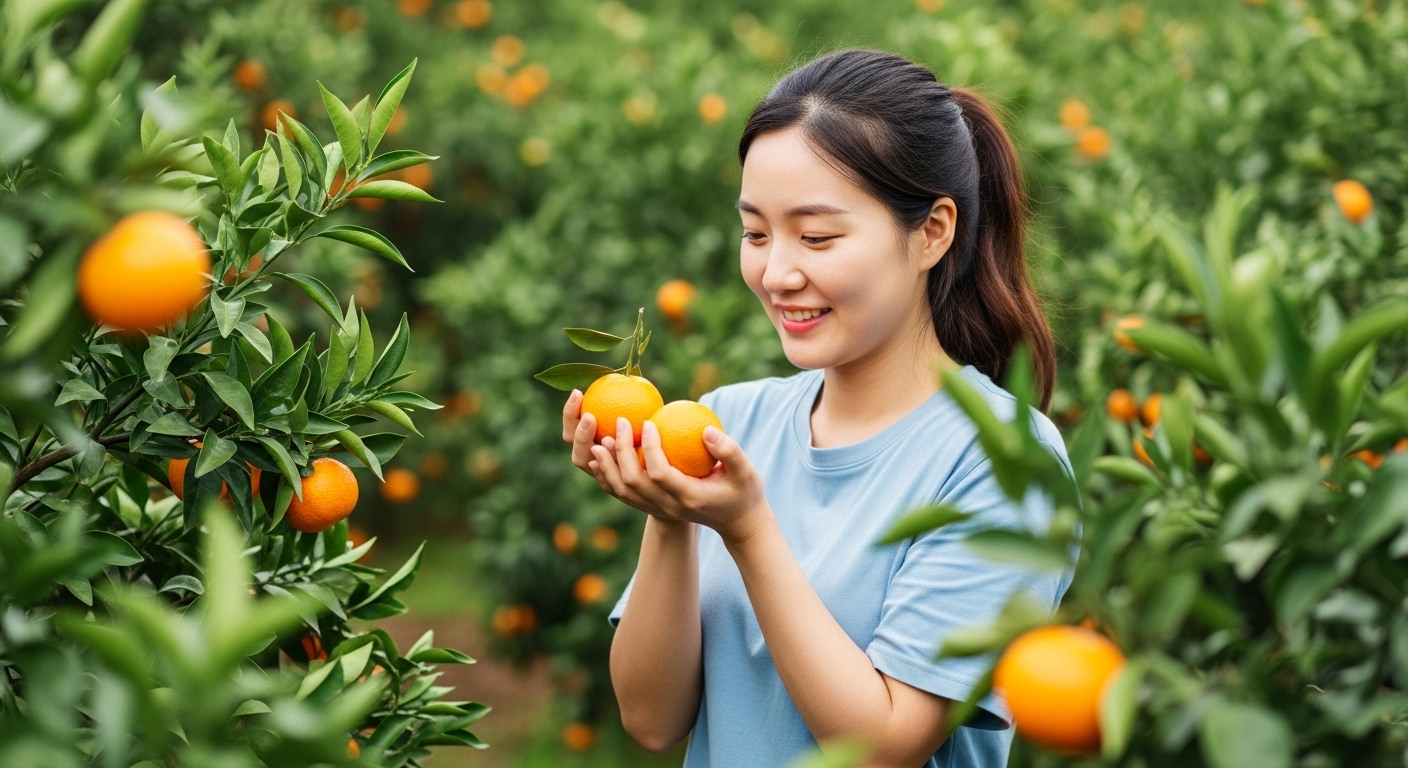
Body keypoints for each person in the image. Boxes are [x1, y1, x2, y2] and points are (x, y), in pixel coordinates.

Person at [560, 49, 1075, 768]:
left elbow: (883, 747)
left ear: (932, 232)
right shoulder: (726, 423)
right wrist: (670, 517)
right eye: (756, 233)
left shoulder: (1001, 460)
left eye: (817, 237)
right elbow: (651, 719)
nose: (776, 273)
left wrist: (747, 529)